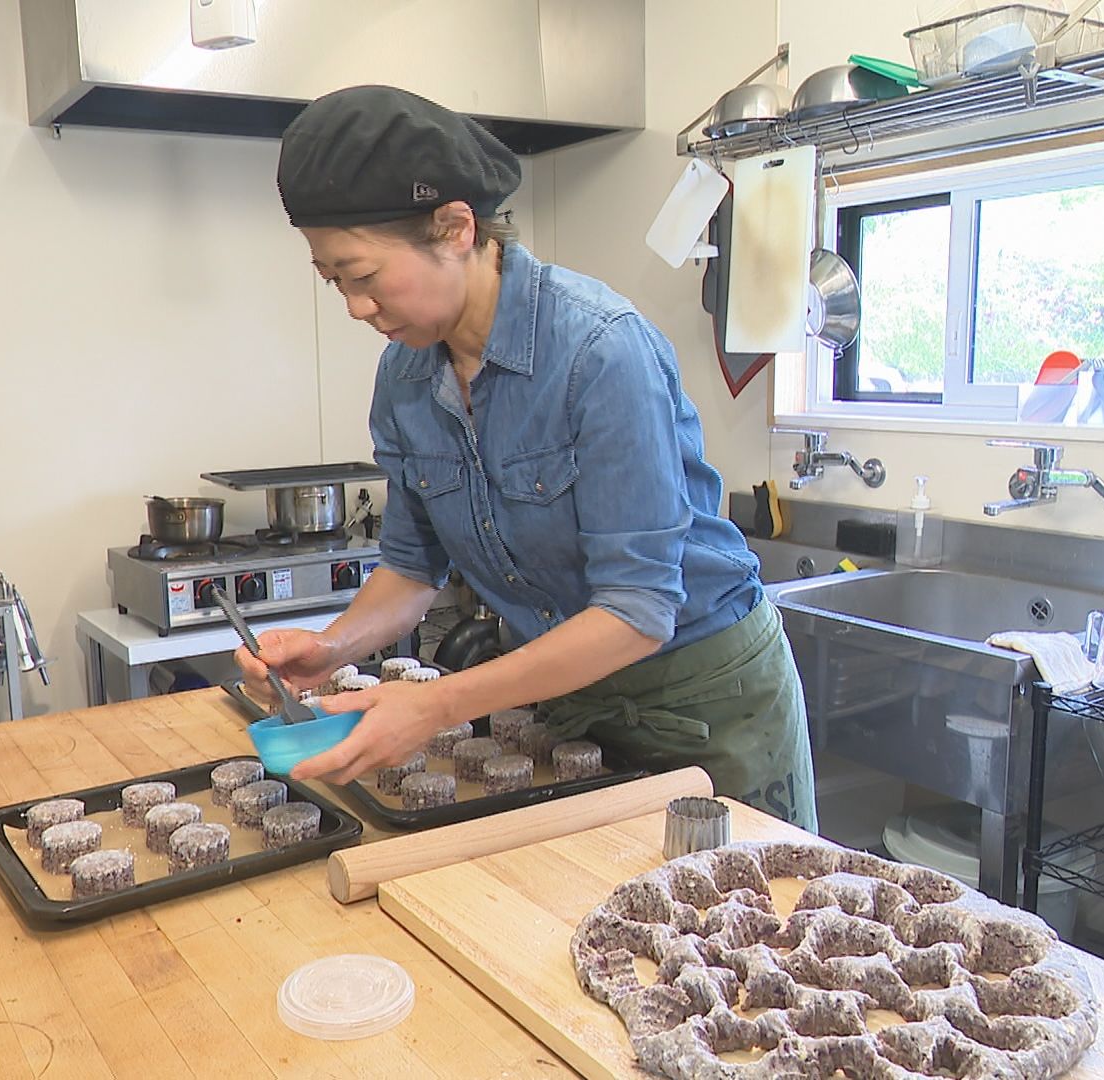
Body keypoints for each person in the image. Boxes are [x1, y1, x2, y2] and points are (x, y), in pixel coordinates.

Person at [235, 84, 815, 828]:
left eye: (364, 276)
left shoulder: (599, 352)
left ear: (453, 228)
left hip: (706, 704)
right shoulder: (407, 375)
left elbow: (638, 612)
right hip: (562, 701)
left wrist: (433, 706)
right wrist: (330, 644)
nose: (353, 306)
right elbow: (414, 568)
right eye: (331, 280)